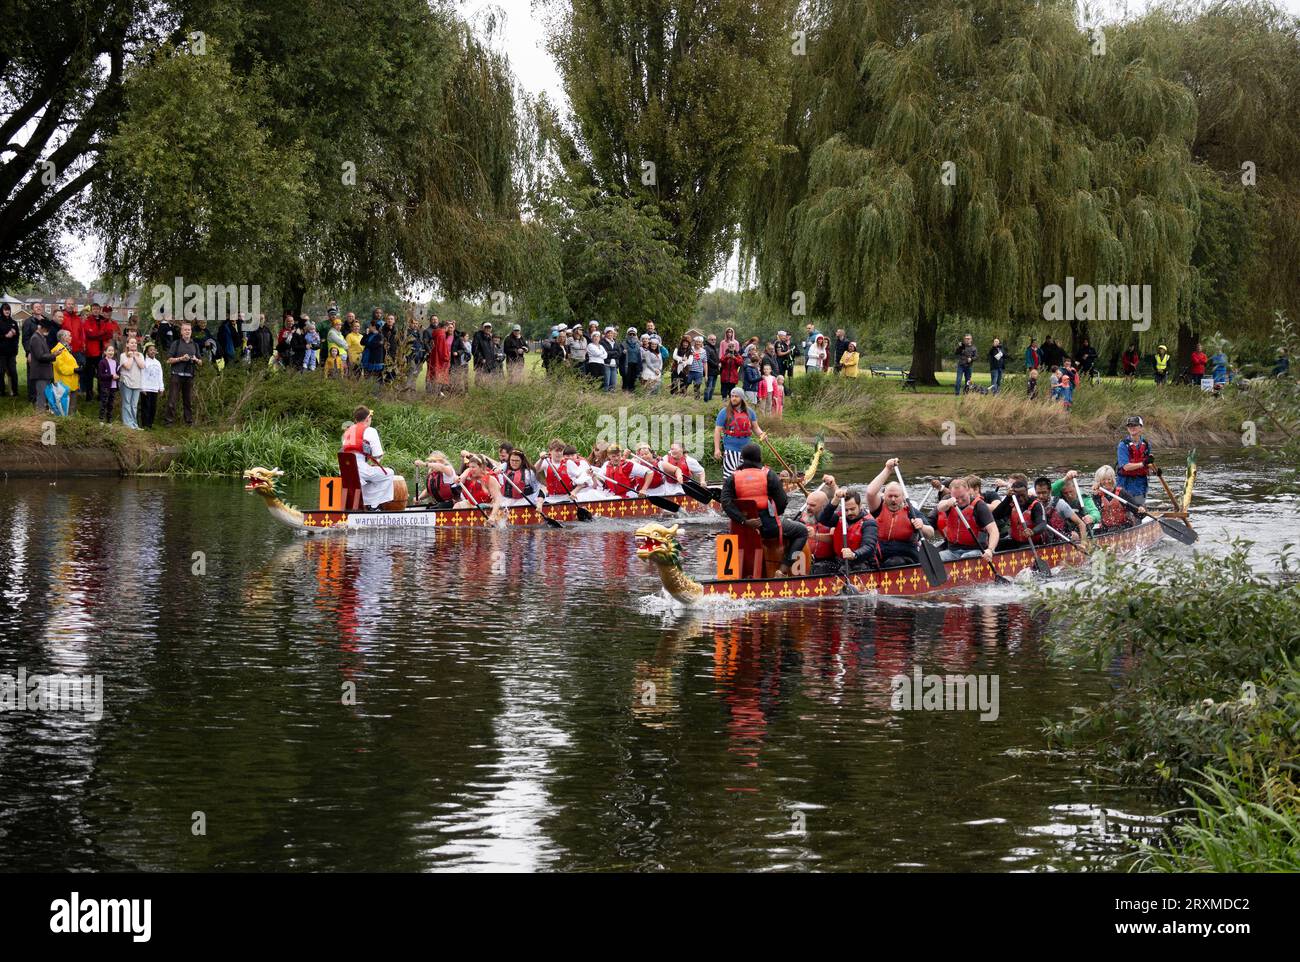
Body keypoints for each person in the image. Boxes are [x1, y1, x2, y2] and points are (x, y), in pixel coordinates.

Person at [721, 442, 808, 576]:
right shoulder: (769, 475)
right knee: (802, 531)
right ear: (760, 458)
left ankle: (729, 576)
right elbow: (782, 502)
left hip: (740, 529)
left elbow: (725, 503)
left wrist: (744, 521)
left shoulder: (731, 478)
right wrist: (774, 515)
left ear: (742, 458)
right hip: (767, 528)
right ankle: (783, 569)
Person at [864, 458, 935, 567]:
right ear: (884, 496)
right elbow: (870, 493)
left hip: (905, 554)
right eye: (890, 496)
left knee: (895, 562)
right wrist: (888, 469)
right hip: (880, 551)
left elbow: (931, 533)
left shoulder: (911, 511)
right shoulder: (878, 507)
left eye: (896, 496)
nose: (893, 499)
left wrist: (922, 527)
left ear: (902, 497)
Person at [814, 484, 878, 574]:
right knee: (819, 567)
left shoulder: (869, 523)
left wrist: (854, 554)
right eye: (846, 510)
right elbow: (823, 519)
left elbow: (869, 546)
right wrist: (835, 500)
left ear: (860, 505)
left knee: (844, 570)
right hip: (840, 561)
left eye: (852, 509)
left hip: (861, 562)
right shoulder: (840, 517)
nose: (849, 513)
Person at [341, 406, 396, 509]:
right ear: (367, 418)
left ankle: (365, 504)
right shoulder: (370, 430)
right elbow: (378, 454)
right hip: (360, 469)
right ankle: (373, 506)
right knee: (389, 473)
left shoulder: (348, 432)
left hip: (345, 470)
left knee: (369, 475)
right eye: (371, 417)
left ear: (356, 419)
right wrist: (379, 458)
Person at [934, 477, 999, 563]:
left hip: (975, 550)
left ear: (968, 491)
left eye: (962, 497)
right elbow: (940, 507)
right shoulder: (948, 501)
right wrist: (948, 503)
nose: (960, 501)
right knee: (936, 558)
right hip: (952, 551)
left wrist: (990, 550)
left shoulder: (979, 506)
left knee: (964, 558)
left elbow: (994, 530)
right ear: (951, 494)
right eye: (957, 498)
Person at [714, 387, 767, 479]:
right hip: (730, 448)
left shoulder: (750, 412)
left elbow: (755, 427)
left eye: (736, 396)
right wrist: (717, 449)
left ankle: (744, 490)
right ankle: (728, 492)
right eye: (732, 396)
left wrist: (762, 434)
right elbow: (717, 431)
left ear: (742, 398)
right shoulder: (724, 412)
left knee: (745, 475)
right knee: (729, 476)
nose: (733, 398)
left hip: (746, 449)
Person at [1094, 464, 1148, 531]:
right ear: (1099, 481)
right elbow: (1094, 514)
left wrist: (1141, 510)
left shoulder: (1121, 493)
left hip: (1124, 527)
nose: (1107, 482)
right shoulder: (1097, 495)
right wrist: (1095, 496)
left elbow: (1138, 513)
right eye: (1103, 480)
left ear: (1113, 479)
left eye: (1109, 479)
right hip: (1106, 529)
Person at [1115, 414, 1151, 505]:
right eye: (1130, 426)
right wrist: (1143, 464)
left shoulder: (1146, 444)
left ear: (1141, 427)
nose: (1132, 427)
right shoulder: (1123, 445)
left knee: (1138, 511)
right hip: (1125, 483)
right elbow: (1126, 467)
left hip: (1140, 484)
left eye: (1135, 425)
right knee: (1128, 511)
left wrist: (1155, 471)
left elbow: (1148, 464)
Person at [25, 317, 55, 412]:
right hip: (40, 373)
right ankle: (39, 414)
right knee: (41, 396)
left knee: (44, 395)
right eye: (46, 330)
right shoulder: (35, 338)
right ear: (42, 328)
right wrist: (54, 355)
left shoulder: (41, 337)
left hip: (44, 372)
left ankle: (42, 412)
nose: (47, 332)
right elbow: (40, 356)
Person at [51, 329, 80, 415]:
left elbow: (70, 363)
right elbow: (61, 368)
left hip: (72, 382)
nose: (71, 337)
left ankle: (72, 423)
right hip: (63, 384)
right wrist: (74, 370)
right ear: (63, 337)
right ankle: (66, 423)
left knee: (72, 406)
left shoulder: (67, 348)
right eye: (69, 335)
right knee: (64, 407)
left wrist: (78, 368)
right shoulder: (57, 350)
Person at [140, 344, 164, 428]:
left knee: (153, 407)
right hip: (146, 388)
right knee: (146, 406)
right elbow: (142, 375)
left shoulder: (157, 363)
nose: (153, 351)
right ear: (147, 351)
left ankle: (150, 424)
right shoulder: (144, 361)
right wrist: (142, 387)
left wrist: (161, 387)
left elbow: (160, 375)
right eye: (150, 350)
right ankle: (144, 424)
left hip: (155, 388)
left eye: (154, 350)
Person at [0, 303, 19, 396]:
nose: (7, 311)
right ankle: (2, 391)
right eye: (5, 309)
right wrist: (5, 336)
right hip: (1, 352)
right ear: (2, 311)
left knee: (13, 372)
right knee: (1, 372)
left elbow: (17, 337)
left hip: (12, 353)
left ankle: (15, 391)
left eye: (8, 309)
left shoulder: (14, 323)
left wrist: (16, 348)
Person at [97, 344, 119, 423]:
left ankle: (109, 420)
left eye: (112, 351)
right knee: (104, 402)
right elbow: (100, 375)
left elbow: (118, 372)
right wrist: (111, 376)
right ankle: (101, 419)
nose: (111, 352)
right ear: (105, 352)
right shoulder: (102, 362)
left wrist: (117, 376)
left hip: (113, 386)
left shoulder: (115, 362)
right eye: (109, 351)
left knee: (111, 403)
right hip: (105, 386)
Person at [621, 327, 642, 392]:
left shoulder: (639, 344)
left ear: (636, 335)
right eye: (630, 334)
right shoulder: (623, 343)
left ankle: (633, 393)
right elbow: (619, 355)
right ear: (627, 335)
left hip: (636, 364)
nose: (632, 335)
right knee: (626, 379)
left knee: (634, 379)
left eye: (634, 334)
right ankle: (625, 394)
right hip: (627, 364)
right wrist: (623, 353)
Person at [703, 333, 720, 401]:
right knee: (709, 387)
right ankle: (706, 400)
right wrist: (716, 364)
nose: (713, 341)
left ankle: (709, 400)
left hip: (715, 371)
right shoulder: (706, 347)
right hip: (709, 371)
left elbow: (715, 358)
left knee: (712, 387)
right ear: (708, 340)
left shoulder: (713, 347)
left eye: (714, 339)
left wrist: (718, 363)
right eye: (712, 339)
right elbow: (707, 359)